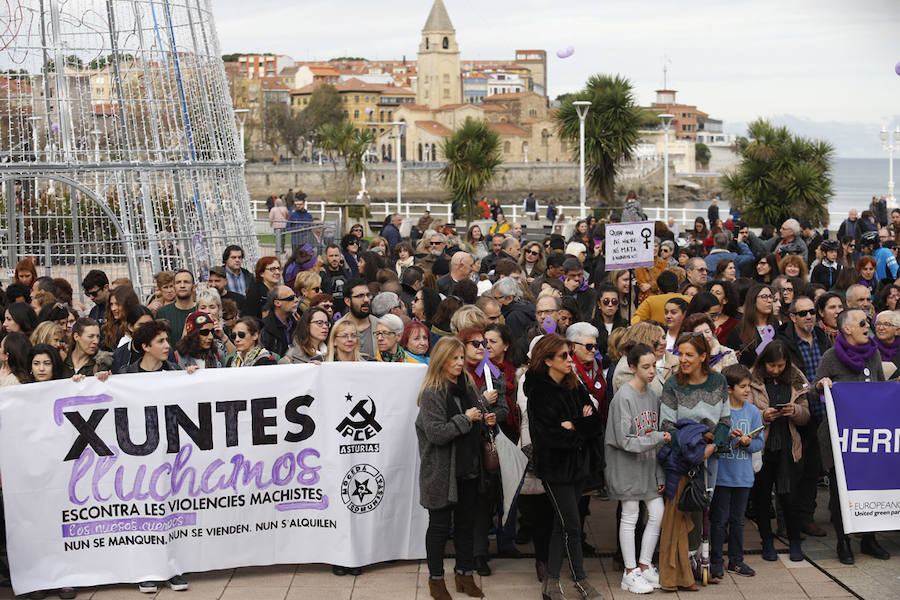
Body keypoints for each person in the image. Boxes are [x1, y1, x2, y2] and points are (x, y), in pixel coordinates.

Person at [524, 334, 603, 600]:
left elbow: (595, 422)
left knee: (562, 525)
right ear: (547, 360)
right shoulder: (539, 392)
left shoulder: (574, 383)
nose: (571, 360)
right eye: (564, 356)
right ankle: (580, 580)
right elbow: (550, 437)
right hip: (555, 468)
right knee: (572, 526)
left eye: (570, 354)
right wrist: (579, 425)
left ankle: (551, 583)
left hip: (578, 466)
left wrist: (574, 425)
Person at [814, 308, 889, 565]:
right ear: (847, 329)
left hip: (867, 437)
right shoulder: (830, 356)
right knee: (839, 492)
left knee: (870, 486)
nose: (867, 324)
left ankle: (869, 538)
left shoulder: (874, 354)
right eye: (861, 322)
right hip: (839, 439)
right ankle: (843, 541)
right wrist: (823, 386)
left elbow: (879, 388)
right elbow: (817, 390)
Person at [415, 336, 487, 600]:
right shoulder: (432, 393)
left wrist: (482, 416)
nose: (459, 363)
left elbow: (475, 415)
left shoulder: (467, 385)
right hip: (441, 473)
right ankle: (436, 581)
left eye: (460, 357)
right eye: (453, 358)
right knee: (439, 527)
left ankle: (464, 575)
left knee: (467, 526)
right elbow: (436, 433)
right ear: (440, 360)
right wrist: (465, 419)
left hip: (468, 467)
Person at [657, 334, 729, 592]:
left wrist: (710, 447)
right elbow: (666, 425)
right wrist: (693, 449)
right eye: (680, 354)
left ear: (703, 357)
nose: (683, 360)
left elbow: (725, 420)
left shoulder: (718, 381)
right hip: (682, 457)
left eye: (689, 354)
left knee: (706, 510)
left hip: (711, 454)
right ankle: (680, 569)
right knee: (683, 512)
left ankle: (703, 563)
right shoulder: (672, 384)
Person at [606, 343, 669, 594]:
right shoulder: (623, 396)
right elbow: (624, 440)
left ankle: (644, 565)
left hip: (647, 467)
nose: (652, 370)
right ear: (632, 367)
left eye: (654, 365)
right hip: (626, 467)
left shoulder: (653, 395)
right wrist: (658, 438)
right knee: (630, 516)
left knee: (657, 512)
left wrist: (658, 471)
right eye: (646, 366)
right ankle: (630, 571)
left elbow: (653, 436)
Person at [747, 341, 810, 562]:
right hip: (762, 447)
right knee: (762, 498)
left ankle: (794, 541)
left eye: (781, 365)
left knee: (790, 498)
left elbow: (806, 415)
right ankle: (767, 541)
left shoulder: (795, 378)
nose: (776, 370)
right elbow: (744, 410)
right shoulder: (752, 378)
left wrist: (796, 411)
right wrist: (764, 415)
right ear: (764, 362)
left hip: (788, 447)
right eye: (772, 365)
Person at [711, 365, 764, 578]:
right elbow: (712, 441)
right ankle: (715, 560)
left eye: (748, 386)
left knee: (738, 520)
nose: (747, 391)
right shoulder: (719, 411)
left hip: (743, 476)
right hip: (722, 476)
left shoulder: (752, 411)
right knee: (718, 521)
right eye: (742, 387)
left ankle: (736, 560)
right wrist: (728, 437)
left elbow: (758, 442)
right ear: (729, 389)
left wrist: (747, 442)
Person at [155, 269, 197, 344]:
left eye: (186, 282)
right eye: (178, 282)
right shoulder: (162, 313)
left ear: (194, 287)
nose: (182, 286)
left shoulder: (201, 310)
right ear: (174, 287)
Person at [111, 305, 154, 373]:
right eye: (141, 325)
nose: (146, 328)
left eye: (150, 324)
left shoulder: (164, 351)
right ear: (130, 327)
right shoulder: (119, 354)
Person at [260, 285, 299, 359]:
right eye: (291, 298)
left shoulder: (297, 324)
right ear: (277, 303)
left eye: (295, 296)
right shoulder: (264, 328)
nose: (296, 300)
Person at [344, 279, 378, 357]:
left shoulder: (380, 326)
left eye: (368, 295)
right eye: (360, 296)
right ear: (348, 301)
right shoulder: (337, 328)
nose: (366, 300)